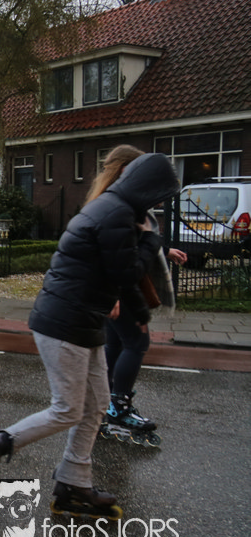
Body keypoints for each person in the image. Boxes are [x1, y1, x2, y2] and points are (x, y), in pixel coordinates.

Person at [0, 151, 180, 519]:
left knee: (96, 404)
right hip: (65, 322)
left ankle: (74, 481)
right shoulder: (116, 214)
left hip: (82, 319)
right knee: (68, 409)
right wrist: (151, 244)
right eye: (158, 196)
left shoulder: (115, 209)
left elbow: (116, 275)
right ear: (147, 187)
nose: (157, 204)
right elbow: (125, 272)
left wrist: (139, 311)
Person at [86, 145, 187, 445]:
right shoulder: (118, 205)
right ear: (126, 171)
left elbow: (132, 242)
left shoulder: (110, 200)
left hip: (116, 288)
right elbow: (110, 251)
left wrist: (163, 251)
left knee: (116, 344)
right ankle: (117, 406)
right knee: (136, 342)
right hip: (120, 289)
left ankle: (103, 403)